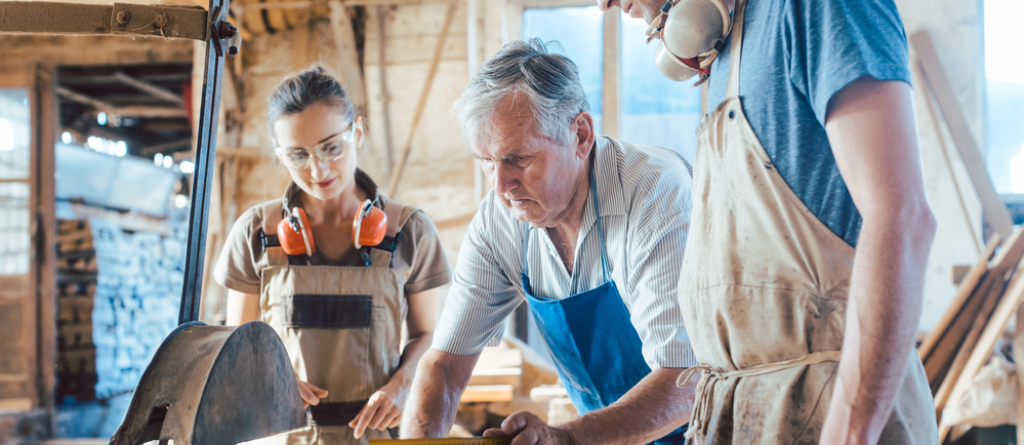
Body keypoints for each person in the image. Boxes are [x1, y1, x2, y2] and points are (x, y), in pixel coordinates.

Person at [601, 0, 940, 443]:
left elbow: (902, 217)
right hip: (748, 412)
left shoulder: (818, 9)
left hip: (830, 412)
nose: (605, 4)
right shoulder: (727, 46)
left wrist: (850, 432)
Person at [401, 39, 699, 445]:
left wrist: (566, 439)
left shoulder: (654, 193)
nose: (501, 185)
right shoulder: (500, 218)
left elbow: (686, 379)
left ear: (579, 135)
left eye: (517, 158)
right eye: (487, 161)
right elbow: (443, 368)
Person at [213, 66, 452, 444]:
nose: (318, 169)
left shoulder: (410, 231)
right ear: (281, 155)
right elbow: (240, 342)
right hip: (284, 433)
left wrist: (404, 385)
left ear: (357, 132)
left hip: (378, 434)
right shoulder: (255, 233)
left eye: (331, 147)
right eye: (298, 156)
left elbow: (427, 334)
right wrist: (269, 379)